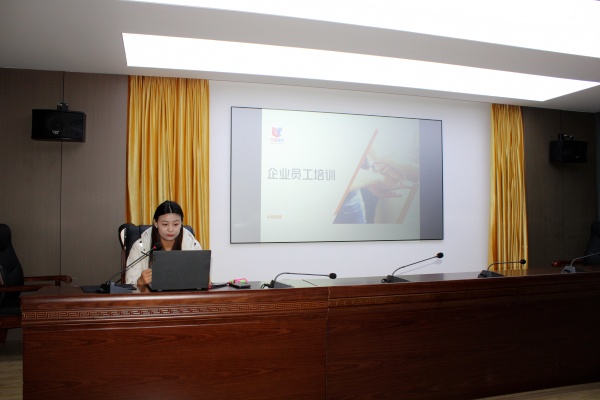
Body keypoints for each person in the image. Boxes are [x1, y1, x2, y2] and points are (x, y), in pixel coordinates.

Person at [125, 200, 201, 288]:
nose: (170, 229)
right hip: (150, 296)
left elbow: (201, 279)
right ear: (156, 223)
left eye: (176, 224)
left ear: (181, 223)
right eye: (165, 224)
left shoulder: (192, 245)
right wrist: (140, 281)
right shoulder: (140, 246)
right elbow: (129, 283)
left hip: (182, 295)